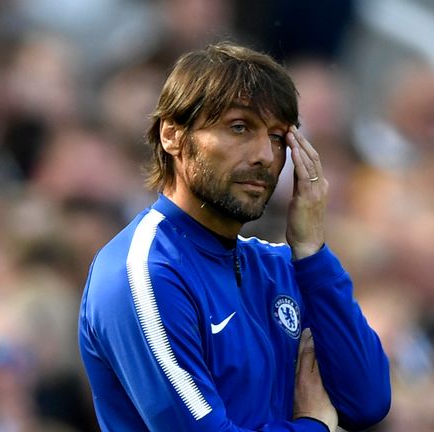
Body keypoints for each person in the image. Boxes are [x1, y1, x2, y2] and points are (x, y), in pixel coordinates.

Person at [78, 42, 391, 431]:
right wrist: (312, 427)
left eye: (278, 137)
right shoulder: (144, 271)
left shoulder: (280, 267)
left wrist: (312, 253)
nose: (264, 154)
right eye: (239, 127)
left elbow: (367, 400)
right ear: (172, 135)